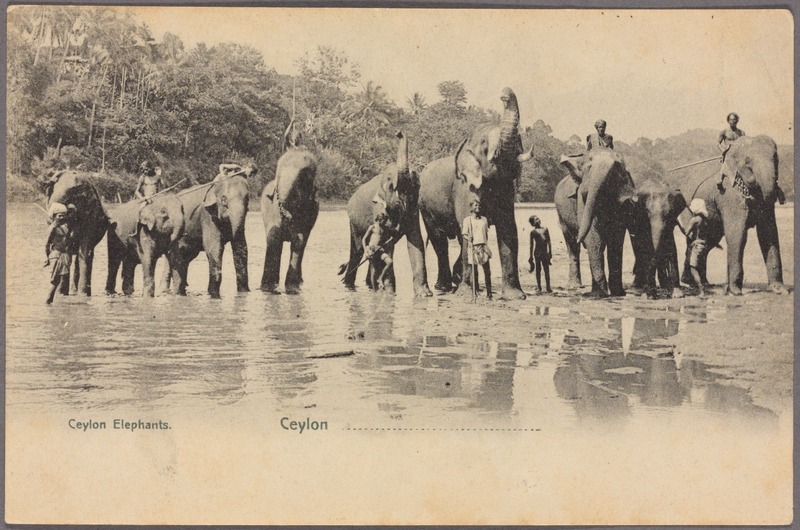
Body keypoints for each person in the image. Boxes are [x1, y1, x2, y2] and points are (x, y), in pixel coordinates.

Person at [44, 203, 75, 304]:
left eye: (63, 215)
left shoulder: (65, 227)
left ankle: (52, 302)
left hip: (64, 255)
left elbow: (68, 241)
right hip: (56, 255)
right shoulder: (52, 228)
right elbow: (46, 244)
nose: (61, 217)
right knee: (54, 280)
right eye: (59, 215)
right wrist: (47, 258)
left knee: (59, 280)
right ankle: (47, 301)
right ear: (54, 216)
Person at [462, 198, 492, 300]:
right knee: (474, 271)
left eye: (479, 206)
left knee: (487, 271)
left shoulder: (484, 219)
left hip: (483, 246)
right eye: (475, 205)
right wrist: (468, 238)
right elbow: (464, 234)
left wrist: (485, 244)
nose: (478, 207)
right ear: (471, 208)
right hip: (473, 247)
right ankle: (474, 292)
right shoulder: (467, 220)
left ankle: (489, 293)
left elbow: (486, 233)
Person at [361, 211, 396, 290]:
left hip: (380, 250)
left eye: (385, 221)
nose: (384, 223)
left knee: (390, 262)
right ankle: (374, 290)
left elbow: (392, 235)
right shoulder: (372, 227)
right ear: (379, 220)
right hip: (371, 250)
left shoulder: (385, 228)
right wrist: (366, 251)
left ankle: (380, 278)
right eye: (383, 221)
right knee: (373, 270)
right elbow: (364, 239)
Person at [686, 198, 710, 297]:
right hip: (704, 245)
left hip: (697, 245)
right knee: (700, 267)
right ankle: (703, 288)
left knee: (693, 268)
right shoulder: (705, 221)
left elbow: (687, 232)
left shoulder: (695, 220)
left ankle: (701, 290)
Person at [716, 112, 745, 188]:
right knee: (726, 163)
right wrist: (723, 150)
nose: (733, 121)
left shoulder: (741, 133)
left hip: (739, 154)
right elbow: (718, 143)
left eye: (734, 119)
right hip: (728, 153)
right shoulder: (724, 132)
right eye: (731, 120)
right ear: (728, 121)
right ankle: (720, 179)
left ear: (737, 121)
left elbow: (744, 144)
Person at [528, 215, 552, 293]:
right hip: (537, 252)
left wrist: (550, 252)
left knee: (546, 269)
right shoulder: (533, 232)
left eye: (538, 218)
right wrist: (530, 256)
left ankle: (548, 286)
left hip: (545, 252)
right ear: (533, 224)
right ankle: (539, 286)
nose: (538, 220)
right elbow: (531, 245)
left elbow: (549, 241)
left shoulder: (545, 229)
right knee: (538, 269)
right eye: (536, 220)